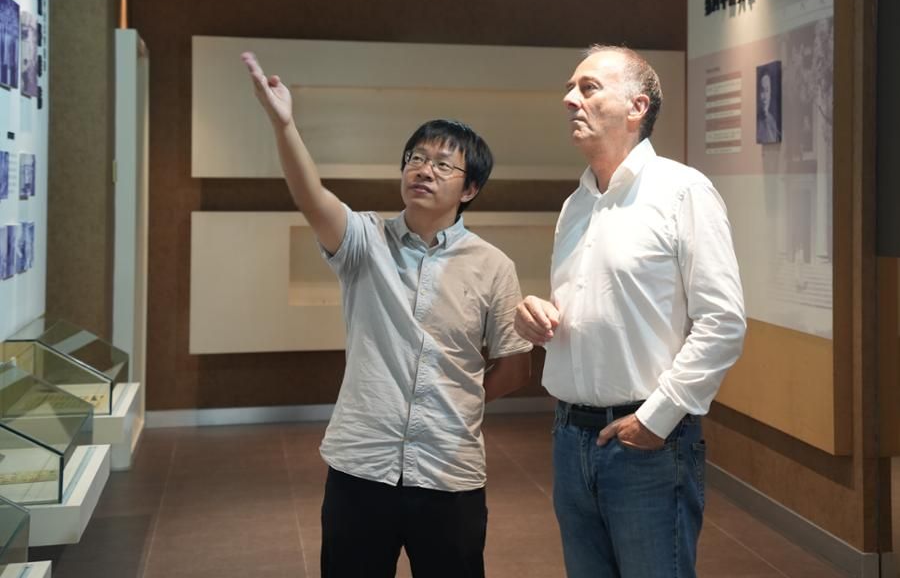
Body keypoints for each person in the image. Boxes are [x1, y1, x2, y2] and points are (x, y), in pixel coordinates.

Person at [241, 52, 532, 578]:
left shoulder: (494, 266)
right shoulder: (364, 240)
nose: (424, 170)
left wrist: (461, 399)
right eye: (415, 158)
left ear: (469, 189)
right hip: (362, 465)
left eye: (443, 164)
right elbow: (311, 197)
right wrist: (284, 125)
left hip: (449, 470)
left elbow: (515, 367)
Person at [514, 44, 746, 578]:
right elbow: (597, 309)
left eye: (588, 88)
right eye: (570, 89)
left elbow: (723, 322)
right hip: (569, 437)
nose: (570, 100)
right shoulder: (576, 205)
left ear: (637, 106)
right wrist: (538, 318)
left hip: (647, 442)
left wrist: (655, 420)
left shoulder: (683, 191)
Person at [756, 70, 780, 143]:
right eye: (762, 91)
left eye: (767, 90)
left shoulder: (772, 121)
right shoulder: (756, 123)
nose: (765, 97)